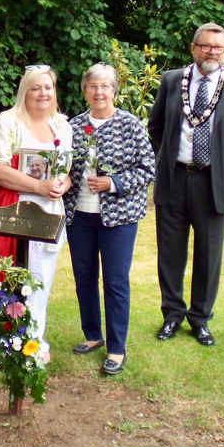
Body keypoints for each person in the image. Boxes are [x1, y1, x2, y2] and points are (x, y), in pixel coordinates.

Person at [148, 22, 224, 346]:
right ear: (194, 48)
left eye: (219, 47)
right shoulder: (172, 81)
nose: (212, 52)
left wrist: (223, 158)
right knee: (170, 253)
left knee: (209, 255)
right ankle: (171, 314)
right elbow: (156, 126)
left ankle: (200, 319)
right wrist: (171, 155)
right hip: (174, 179)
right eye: (207, 46)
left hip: (212, 183)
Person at [0, 65, 73, 365]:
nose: (43, 93)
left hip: (48, 214)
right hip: (12, 213)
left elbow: (65, 170)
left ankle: (32, 339)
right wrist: (39, 186)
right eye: (36, 87)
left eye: (48, 87)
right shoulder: (8, 122)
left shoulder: (62, 125)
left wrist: (61, 184)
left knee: (39, 279)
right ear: (24, 91)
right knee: (5, 276)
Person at [64, 63, 156, 375]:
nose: (99, 92)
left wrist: (113, 183)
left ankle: (117, 347)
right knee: (84, 277)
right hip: (80, 216)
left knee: (115, 282)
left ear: (114, 90)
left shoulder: (131, 125)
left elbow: (147, 169)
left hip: (119, 217)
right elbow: (61, 166)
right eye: (93, 86)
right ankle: (92, 335)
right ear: (84, 90)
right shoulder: (73, 127)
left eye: (105, 86)